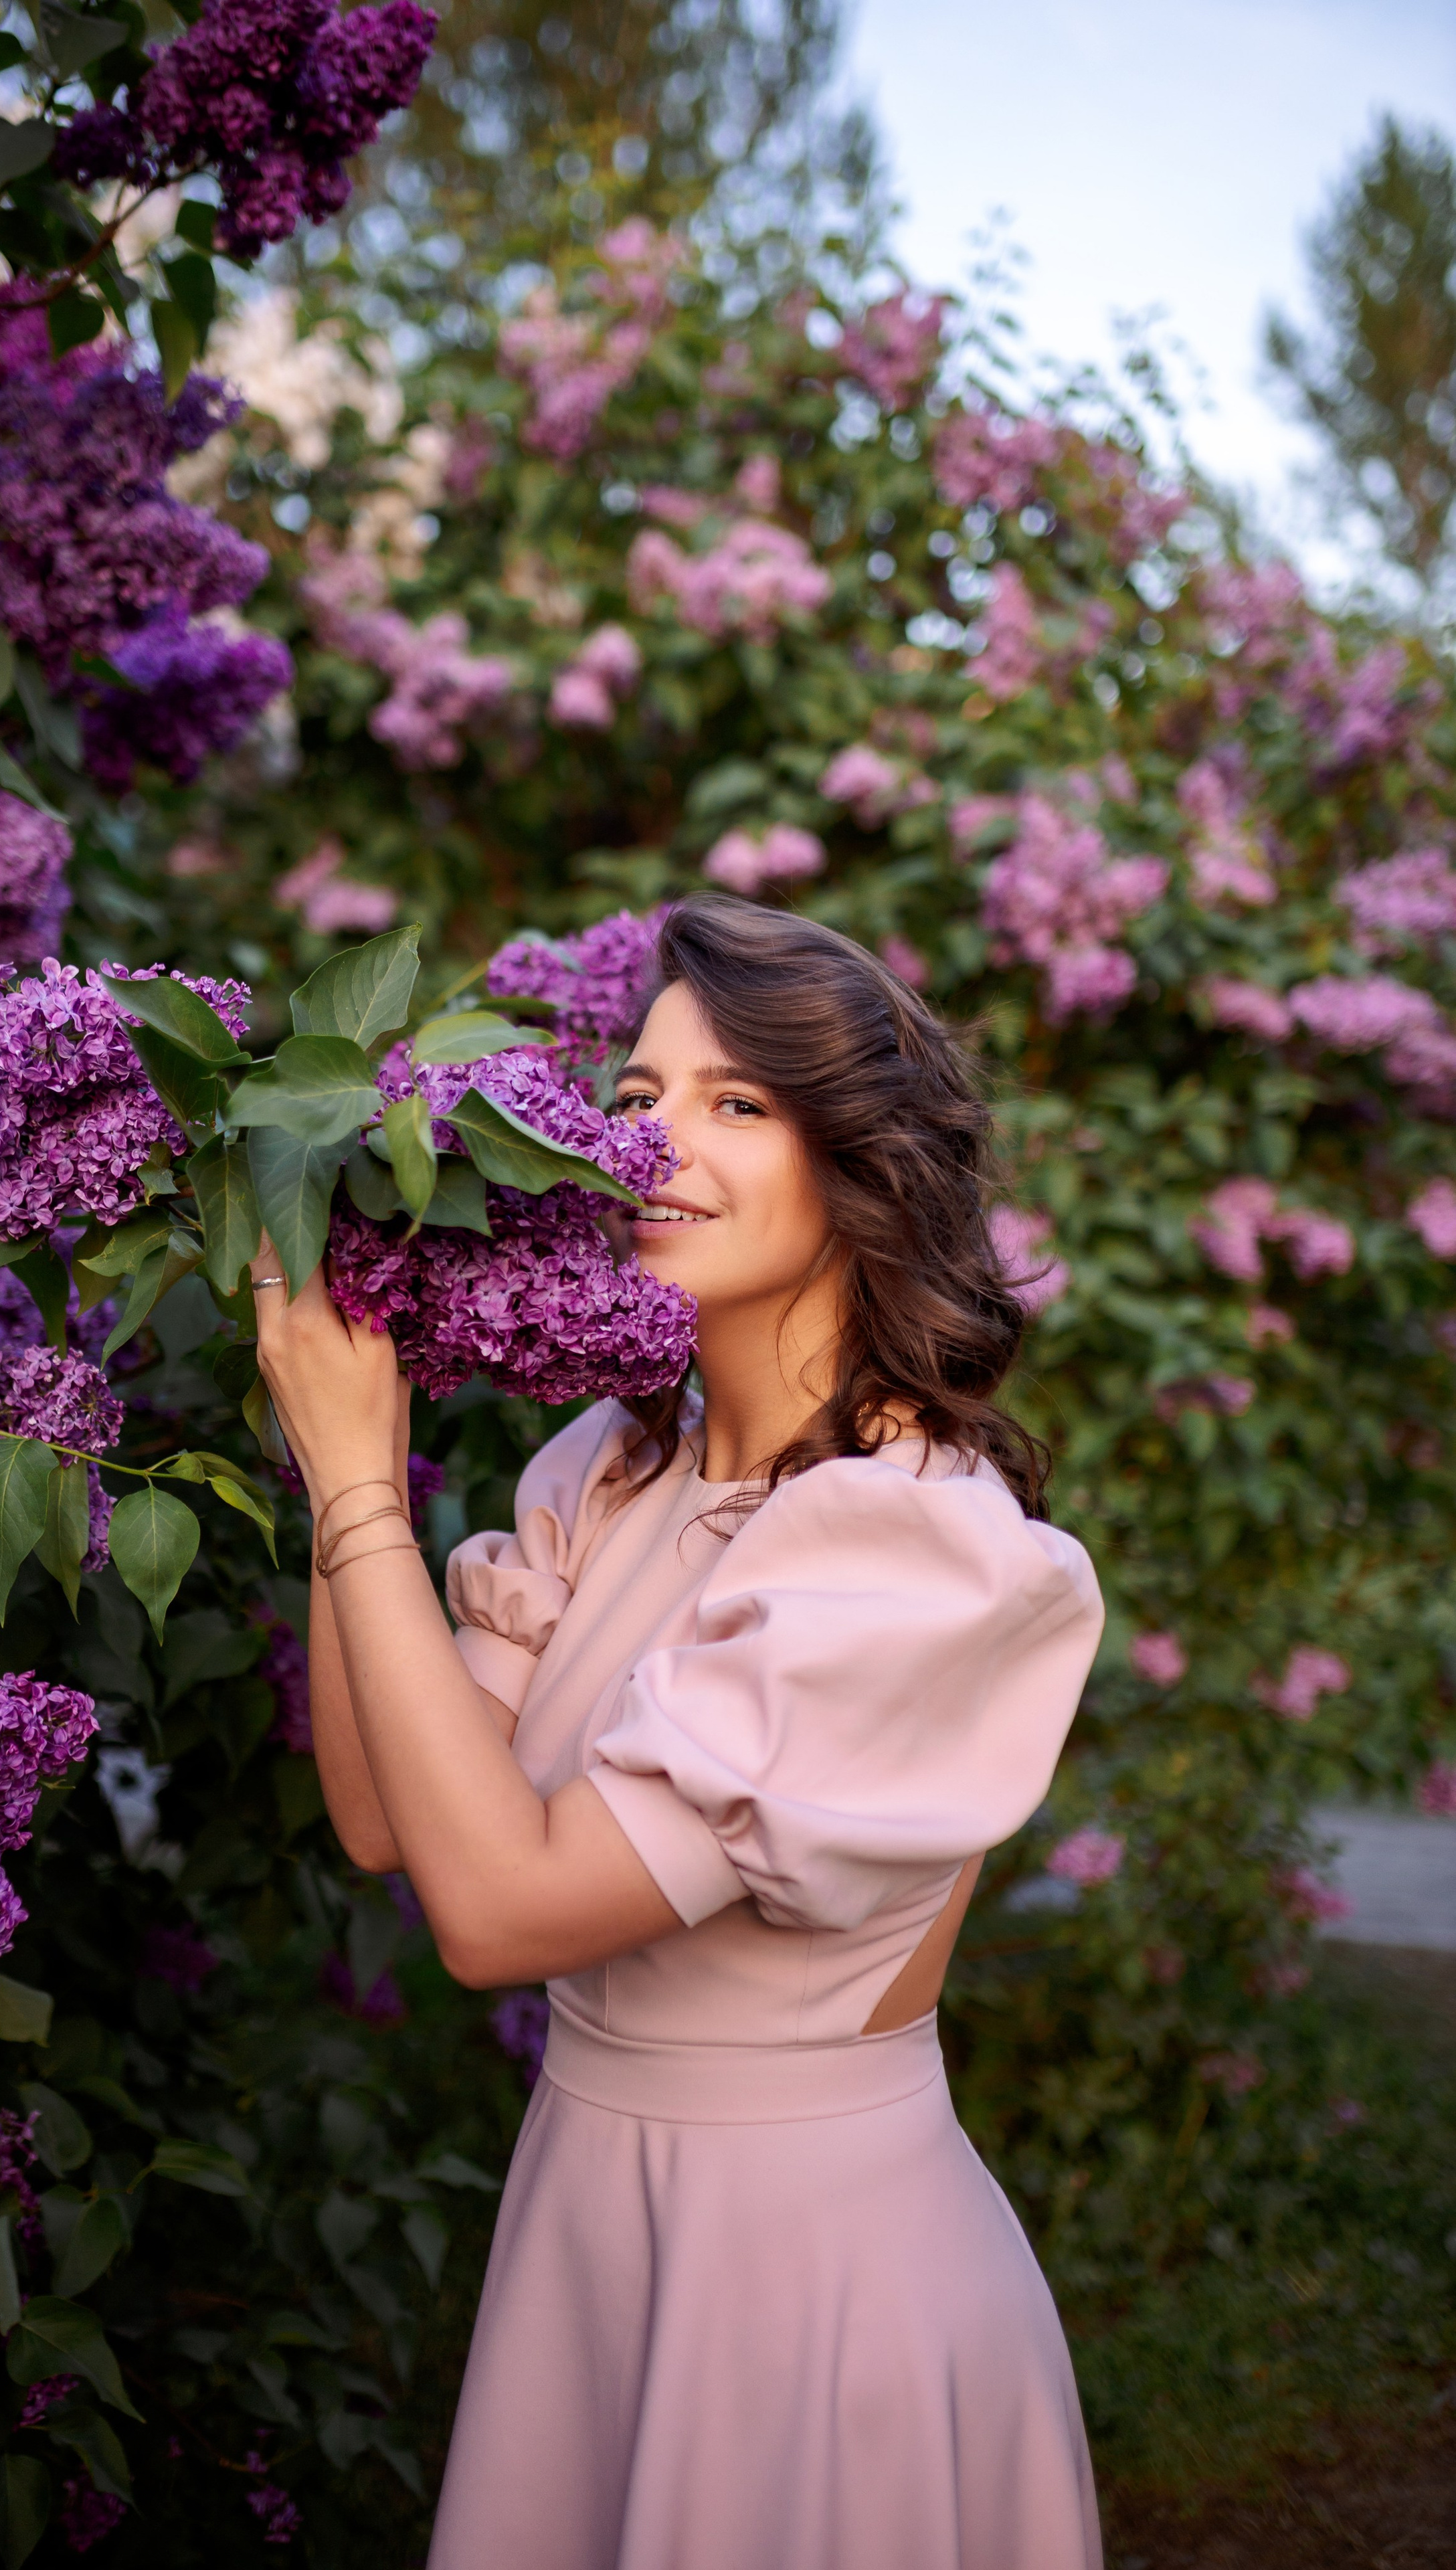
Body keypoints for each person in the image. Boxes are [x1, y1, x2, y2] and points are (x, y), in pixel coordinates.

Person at [251, 895, 1106, 2570]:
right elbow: (382, 1819)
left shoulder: (907, 1545)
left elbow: (497, 1914)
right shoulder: (607, 1469)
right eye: (637, 1097)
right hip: (588, 2217)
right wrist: (350, 1454)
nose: (655, 1141)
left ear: (859, 1164)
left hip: (810, 2277)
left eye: (737, 1101)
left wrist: (355, 1489)